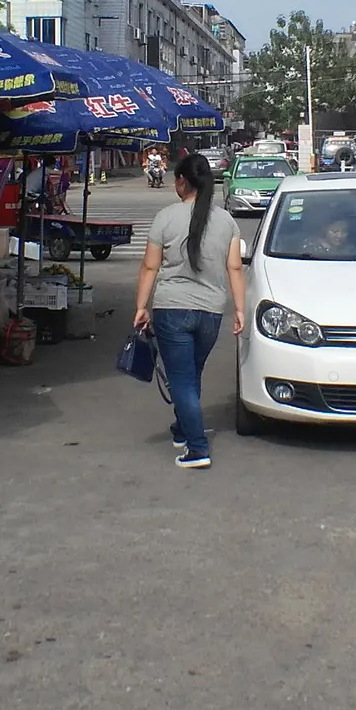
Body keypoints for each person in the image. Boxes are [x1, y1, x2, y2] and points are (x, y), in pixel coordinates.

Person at [131, 149, 247, 470]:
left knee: (182, 380)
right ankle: (183, 429)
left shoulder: (166, 217)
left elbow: (149, 267)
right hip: (211, 311)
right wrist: (240, 309)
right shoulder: (227, 221)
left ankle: (197, 448)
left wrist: (141, 307)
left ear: (182, 182)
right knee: (191, 375)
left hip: (172, 310)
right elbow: (235, 269)